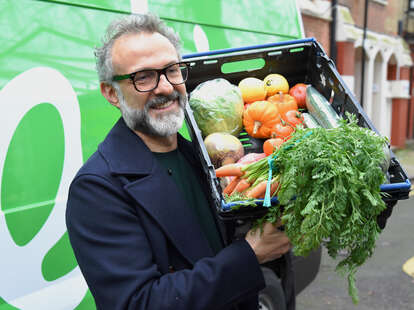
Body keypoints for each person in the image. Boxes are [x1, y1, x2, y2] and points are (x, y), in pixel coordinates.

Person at [66, 13, 293, 310]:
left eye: (172, 70)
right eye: (143, 77)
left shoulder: (199, 158)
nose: (164, 87)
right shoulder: (96, 189)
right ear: (111, 93)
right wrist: (249, 255)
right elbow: (139, 303)